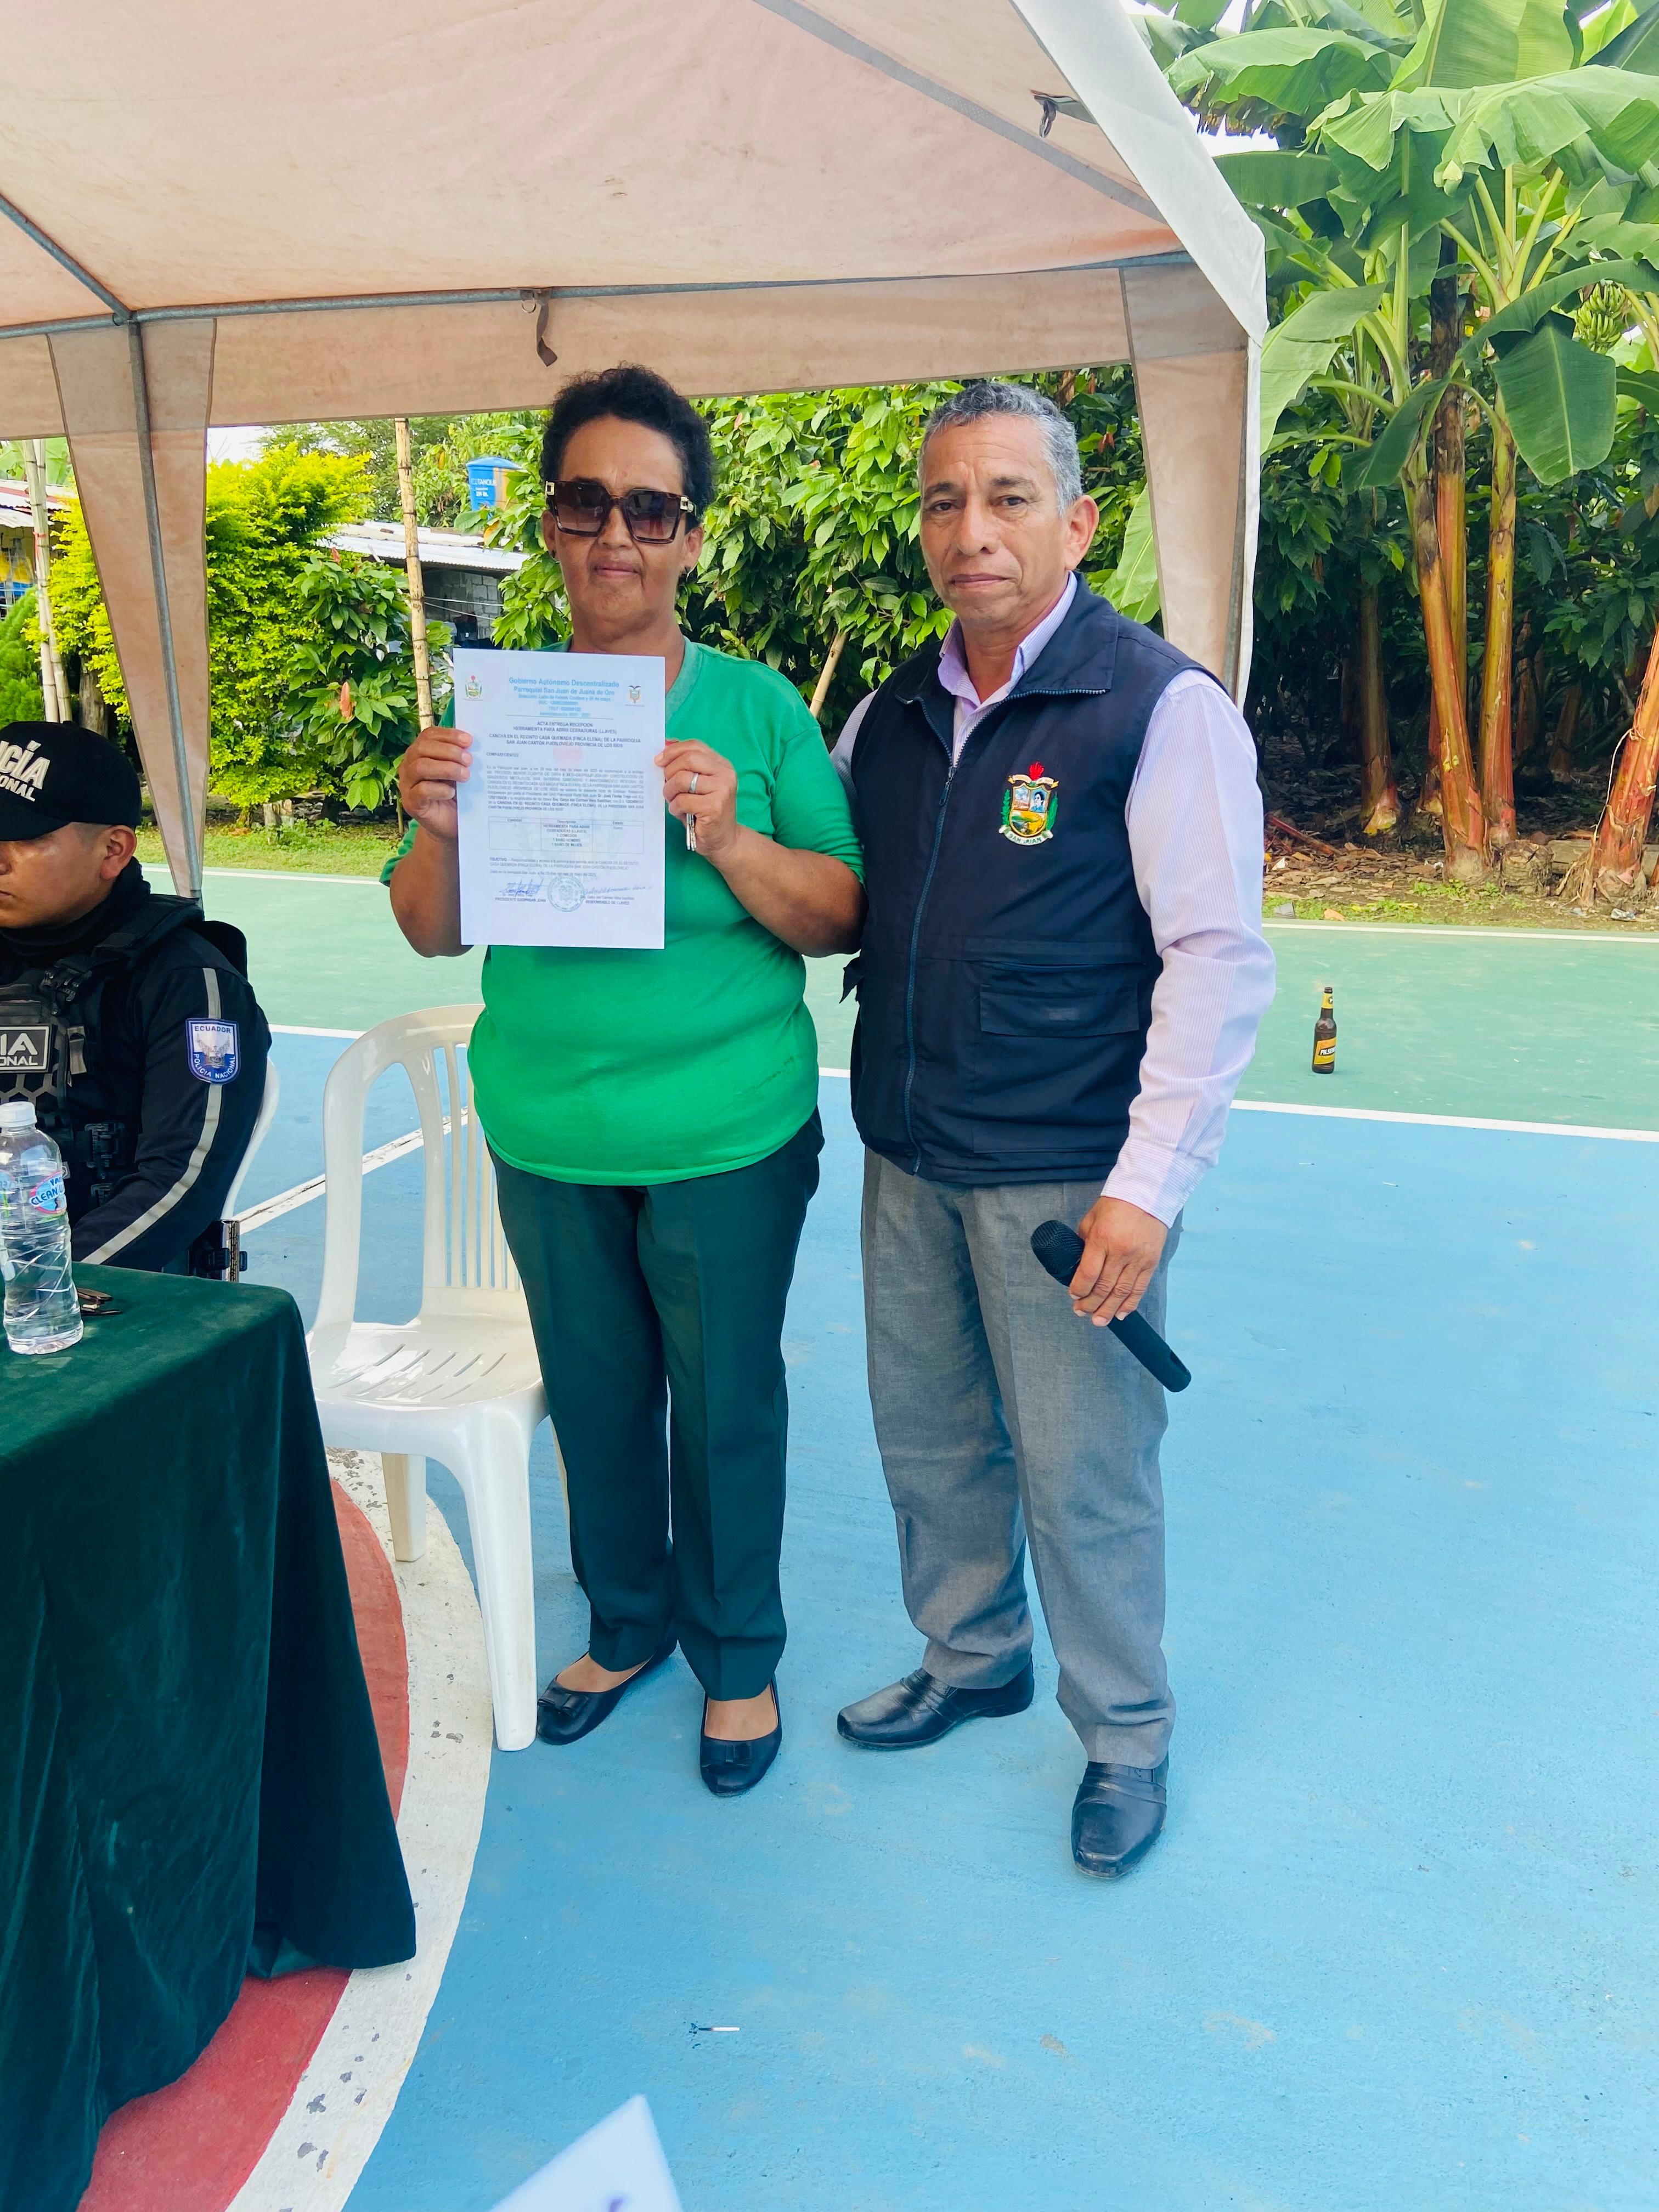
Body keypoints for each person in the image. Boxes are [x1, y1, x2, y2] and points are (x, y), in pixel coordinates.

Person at [387, 365, 865, 1797]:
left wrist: (730, 836)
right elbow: (428, 929)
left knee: (726, 1405)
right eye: (587, 503)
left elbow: (842, 911)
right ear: (550, 523)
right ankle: (630, 1624)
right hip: (548, 1131)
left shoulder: (757, 711)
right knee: (598, 1401)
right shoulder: (498, 716)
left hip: (727, 1131)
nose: (616, 535)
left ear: (690, 537)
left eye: (649, 510)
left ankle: (738, 1656)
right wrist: (439, 823)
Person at [832, 382, 1274, 1877]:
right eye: (945, 500)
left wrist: (1147, 1191)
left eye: (1009, 497)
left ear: (1078, 523)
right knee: (930, 1438)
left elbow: (1216, 958)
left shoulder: (1157, 708)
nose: (973, 529)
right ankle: (972, 1658)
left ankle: (1126, 1734)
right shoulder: (889, 716)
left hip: (1069, 1175)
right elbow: (844, 899)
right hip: (909, 1151)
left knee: (1086, 1469)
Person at [0, 721, 270, 1274]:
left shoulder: (187, 982)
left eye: (24, 839)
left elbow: (181, 1181)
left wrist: (44, 1288)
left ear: (113, 850)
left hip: (106, 1292)